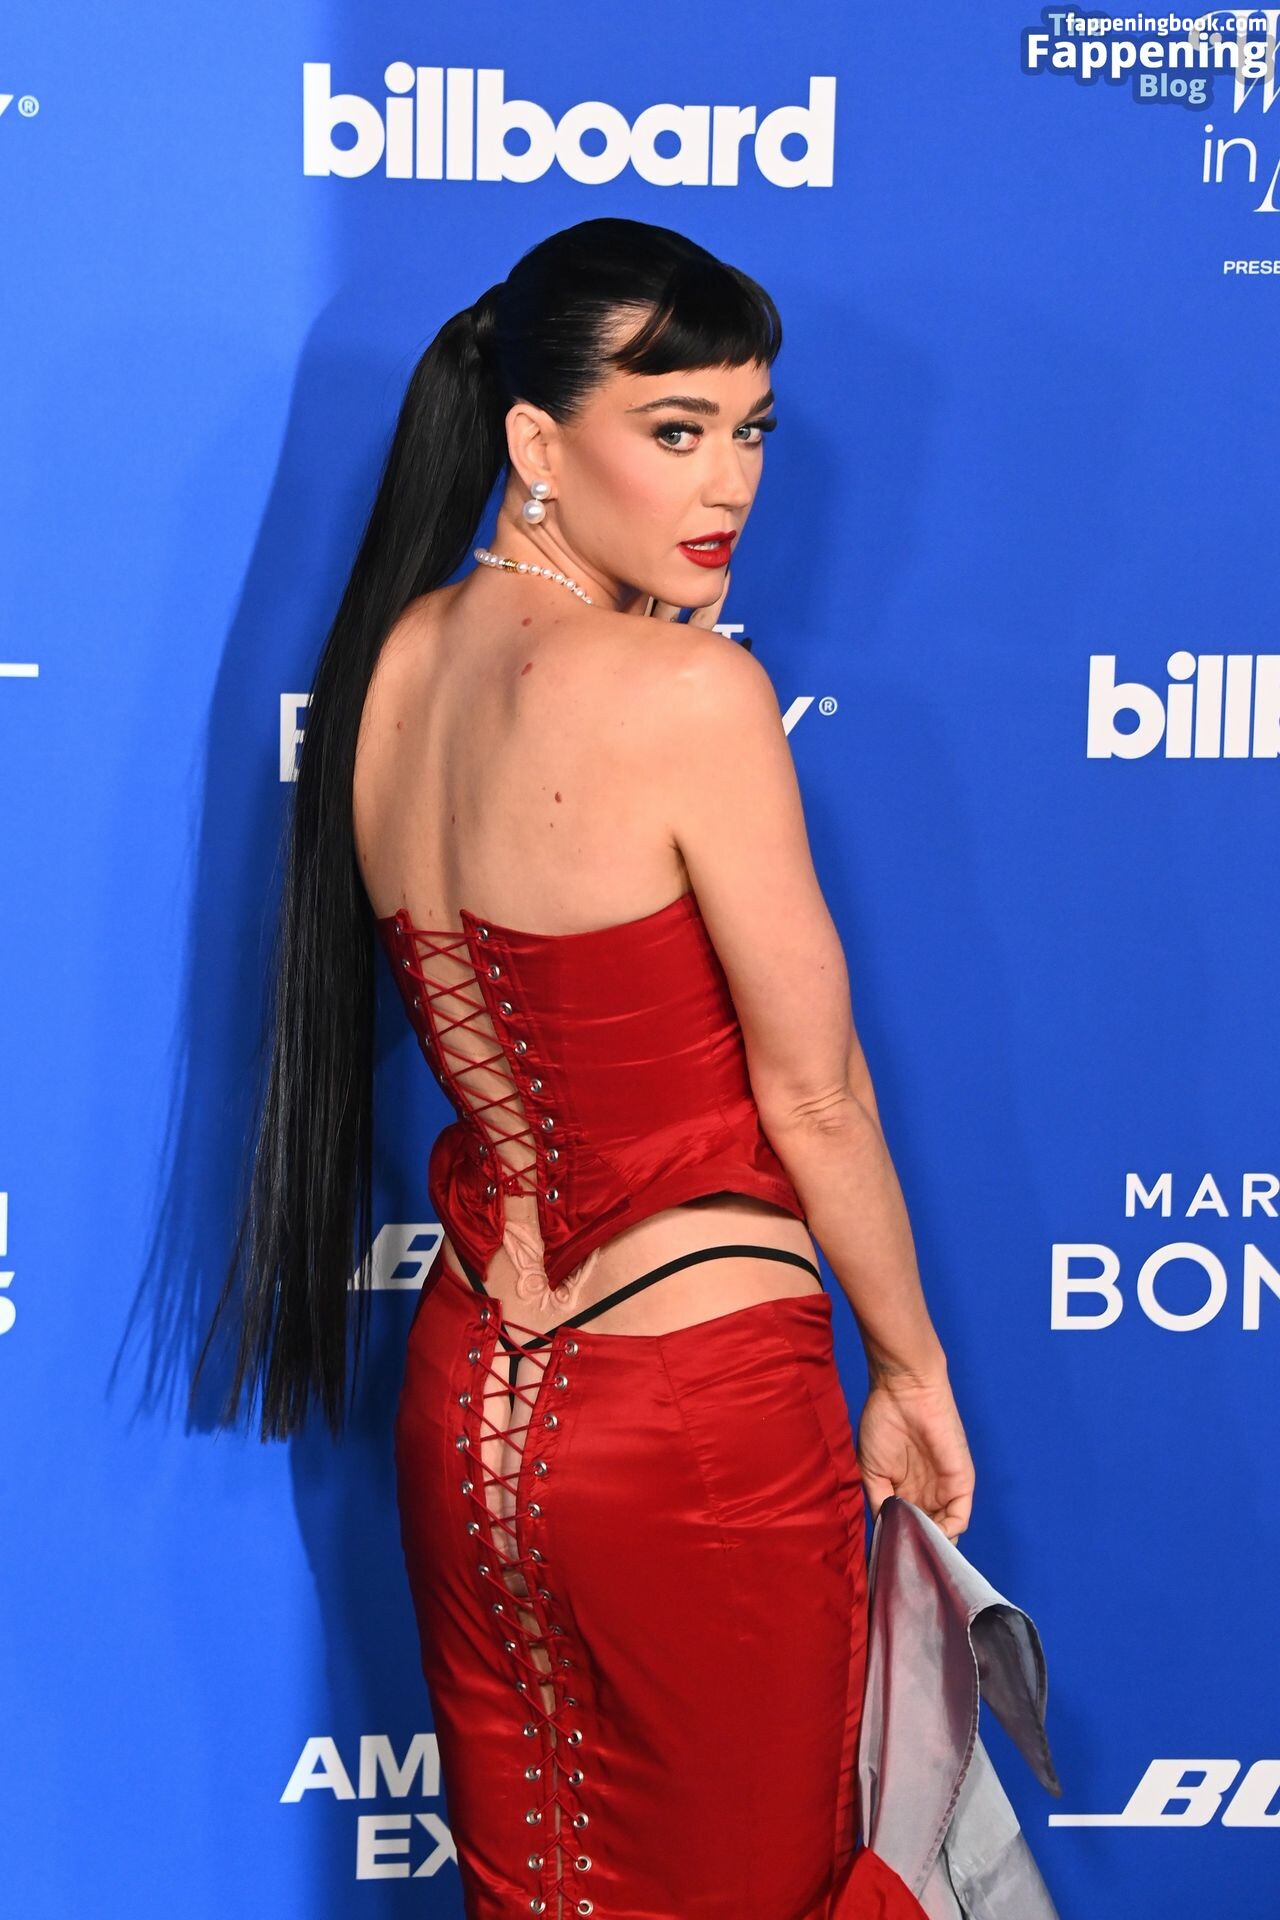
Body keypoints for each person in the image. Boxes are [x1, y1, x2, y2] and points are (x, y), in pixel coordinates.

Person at [195, 216, 974, 1919]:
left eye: (750, 429)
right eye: (674, 430)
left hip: (469, 1408)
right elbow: (816, 1097)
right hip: (698, 1415)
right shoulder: (689, 692)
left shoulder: (391, 665)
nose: (729, 483)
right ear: (535, 443)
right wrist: (912, 1370)